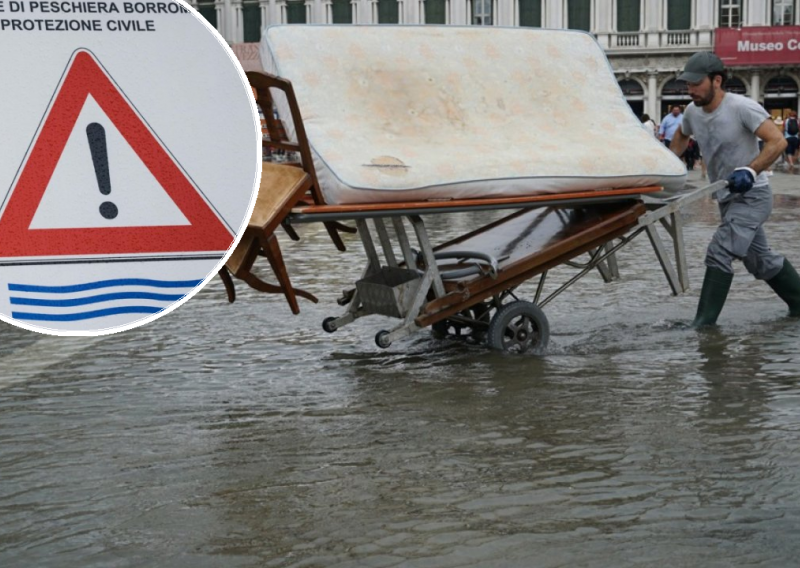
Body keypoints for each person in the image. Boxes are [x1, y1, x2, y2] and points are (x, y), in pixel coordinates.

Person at [669, 51, 800, 326]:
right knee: (761, 261)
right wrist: (668, 162)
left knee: (720, 250)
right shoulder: (692, 112)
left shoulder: (742, 107)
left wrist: (751, 170)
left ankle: (703, 326)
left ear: (716, 81)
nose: (690, 89)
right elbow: (682, 135)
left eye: (696, 83)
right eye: (688, 84)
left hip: (753, 196)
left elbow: (777, 142)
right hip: (725, 198)